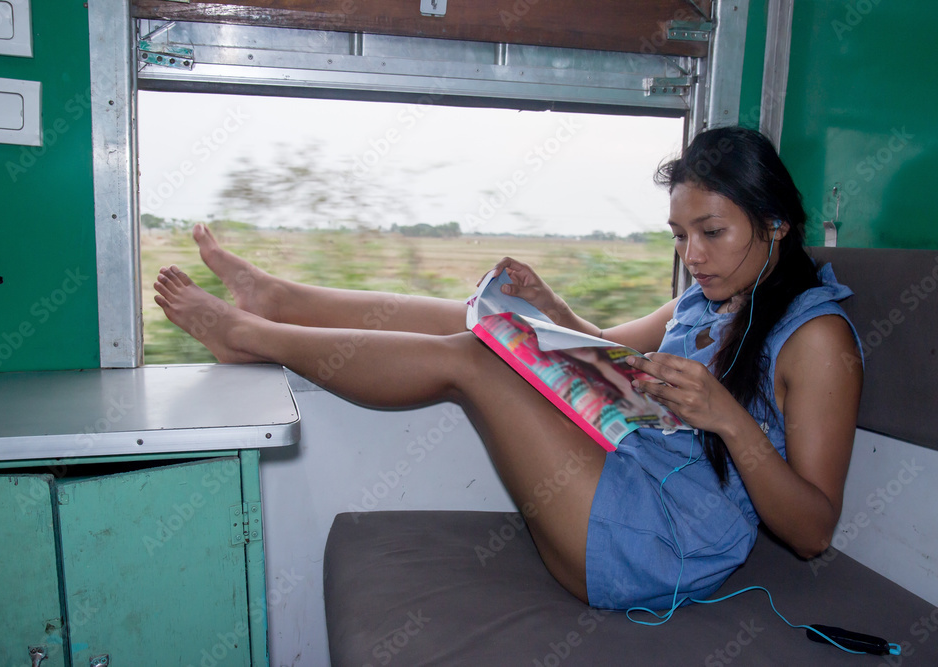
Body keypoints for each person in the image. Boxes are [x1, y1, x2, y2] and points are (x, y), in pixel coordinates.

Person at [153, 126, 862, 611]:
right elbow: (608, 350)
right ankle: (283, 298)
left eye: (712, 233)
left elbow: (812, 530)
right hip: (637, 468)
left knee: (472, 360)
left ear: (776, 225)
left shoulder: (817, 339)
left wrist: (728, 419)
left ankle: (252, 335)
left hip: (667, 541)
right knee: (482, 320)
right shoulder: (714, 295)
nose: (695, 256)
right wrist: (547, 304)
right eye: (680, 237)